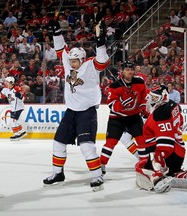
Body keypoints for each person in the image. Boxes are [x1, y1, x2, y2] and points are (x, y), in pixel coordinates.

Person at [43, 20, 110, 191]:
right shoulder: (68, 62)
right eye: (71, 61)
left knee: (86, 146)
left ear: (82, 59)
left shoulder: (90, 66)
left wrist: (101, 43)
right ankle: (58, 173)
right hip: (71, 111)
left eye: (75, 61)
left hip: (86, 112)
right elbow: (61, 48)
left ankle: (97, 176)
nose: (71, 63)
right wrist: (56, 32)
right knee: (58, 142)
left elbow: (103, 61)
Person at [135, 85, 187, 193]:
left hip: (166, 155)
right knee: (172, 171)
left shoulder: (160, 114)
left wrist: (159, 166)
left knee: (142, 168)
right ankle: (185, 175)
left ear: (162, 97)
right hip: (179, 152)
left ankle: (158, 179)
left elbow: (165, 145)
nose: (150, 100)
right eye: (151, 97)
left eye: (154, 98)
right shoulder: (173, 105)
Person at [100, 61, 148, 174]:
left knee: (142, 141)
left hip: (134, 117)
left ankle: (145, 163)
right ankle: (101, 165)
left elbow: (144, 98)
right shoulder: (115, 86)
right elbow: (111, 105)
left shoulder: (140, 82)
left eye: (131, 69)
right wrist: (123, 102)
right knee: (110, 143)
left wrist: (142, 108)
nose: (130, 72)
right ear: (122, 72)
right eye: (127, 69)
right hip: (117, 118)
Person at [1, 76, 27, 141]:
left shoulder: (16, 88)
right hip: (13, 107)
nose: (5, 83)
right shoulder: (5, 90)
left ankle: (18, 133)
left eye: (7, 82)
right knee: (14, 121)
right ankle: (21, 132)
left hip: (18, 107)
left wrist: (20, 96)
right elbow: (1, 96)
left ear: (11, 82)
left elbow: (23, 98)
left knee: (13, 121)